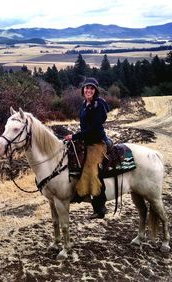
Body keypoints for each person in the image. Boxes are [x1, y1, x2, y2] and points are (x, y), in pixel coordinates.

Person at [64, 77, 112, 219]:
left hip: (97, 142)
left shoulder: (99, 105)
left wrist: (75, 136)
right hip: (86, 140)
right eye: (86, 88)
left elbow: (94, 129)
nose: (89, 90)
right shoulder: (85, 104)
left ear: (95, 90)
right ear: (83, 90)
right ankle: (76, 193)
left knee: (91, 169)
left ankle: (100, 207)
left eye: (91, 88)